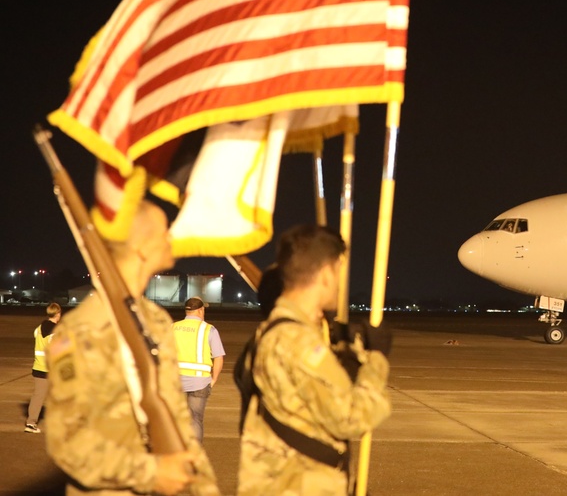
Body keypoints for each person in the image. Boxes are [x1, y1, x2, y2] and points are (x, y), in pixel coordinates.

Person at [45, 200, 220, 496]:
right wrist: (150, 473)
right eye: (163, 231)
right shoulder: (82, 330)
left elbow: (177, 419)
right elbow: (66, 442)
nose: (171, 238)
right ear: (141, 246)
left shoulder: (156, 320)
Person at [237, 224, 392, 496]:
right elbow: (352, 418)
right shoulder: (297, 341)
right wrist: (376, 360)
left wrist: (348, 359)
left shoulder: (272, 332)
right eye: (338, 271)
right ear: (325, 274)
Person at [173, 296, 225, 443]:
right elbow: (218, 358)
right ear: (201, 310)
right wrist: (213, 380)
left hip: (176, 382)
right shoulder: (209, 330)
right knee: (195, 419)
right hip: (200, 382)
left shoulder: (173, 327)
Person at [24, 302, 62, 433]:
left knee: (38, 396)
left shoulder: (38, 328)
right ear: (58, 314)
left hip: (38, 367)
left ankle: (31, 422)